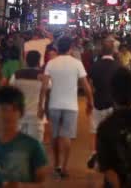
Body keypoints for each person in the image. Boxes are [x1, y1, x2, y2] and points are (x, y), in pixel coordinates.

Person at [0, 86, 48, 186]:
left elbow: (40, 181)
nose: (8, 114)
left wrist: (18, 185)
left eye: (13, 109)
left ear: (21, 113)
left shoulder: (33, 146)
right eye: (3, 109)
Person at [43, 36, 94, 179]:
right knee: (66, 137)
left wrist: (41, 105)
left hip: (54, 104)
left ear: (58, 48)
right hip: (71, 105)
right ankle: (64, 167)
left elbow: (44, 86)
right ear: (70, 48)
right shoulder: (76, 64)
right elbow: (86, 86)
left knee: (55, 135)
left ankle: (56, 165)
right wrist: (90, 102)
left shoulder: (51, 63)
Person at [87, 38, 120, 169]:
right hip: (113, 103)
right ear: (113, 51)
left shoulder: (95, 65)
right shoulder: (118, 66)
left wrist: (89, 101)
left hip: (97, 101)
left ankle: (94, 153)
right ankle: (111, 156)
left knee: (95, 130)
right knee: (112, 131)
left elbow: (90, 85)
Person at [10, 50, 47, 142]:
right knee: (36, 145)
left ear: (26, 61)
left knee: (20, 143)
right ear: (39, 61)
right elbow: (49, 88)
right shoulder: (43, 76)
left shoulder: (17, 74)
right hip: (37, 114)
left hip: (20, 113)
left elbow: (11, 89)